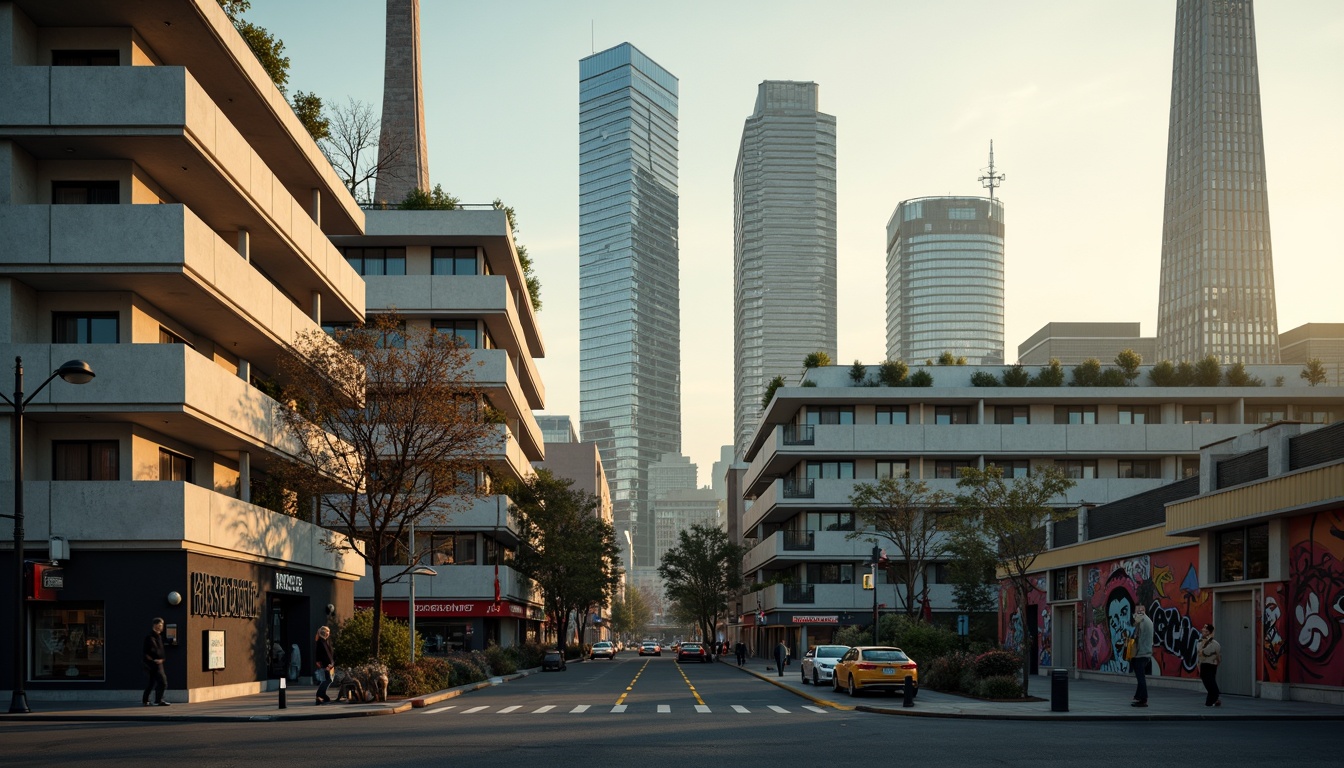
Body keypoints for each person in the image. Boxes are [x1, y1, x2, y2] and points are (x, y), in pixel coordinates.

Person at [1128, 603, 1155, 707]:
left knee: (1140, 677)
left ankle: (1143, 699)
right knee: (1140, 677)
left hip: (1140, 653)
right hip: (1145, 653)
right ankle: (1138, 696)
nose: (1134, 614)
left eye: (1136, 611)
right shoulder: (1149, 621)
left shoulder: (1142, 621)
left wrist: (1135, 624)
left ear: (1140, 611)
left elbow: (1136, 635)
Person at [142, 617, 169, 706]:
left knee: (152, 682)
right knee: (163, 681)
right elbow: (152, 650)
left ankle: (146, 700)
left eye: (162, 625)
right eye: (160, 625)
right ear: (155, 625)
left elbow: (160, 650)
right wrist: (155, 659)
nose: (161, 627)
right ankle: (158, 700)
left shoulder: (158, 636)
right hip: (154, 663)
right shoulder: (150, 637)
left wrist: (162, 658)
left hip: (157, 663)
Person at [1198, 623, 1222, 707]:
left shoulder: (1213, 644)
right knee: (1209, 683)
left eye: (1206, 630)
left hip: (1209, 665)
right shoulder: (1201, 642)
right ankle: (1214, 699)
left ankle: (1212, 699)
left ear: (1209, 632)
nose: (1203, 631)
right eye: (1203, 630)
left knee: (1210, 683)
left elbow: (1202, 653)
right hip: (1205, 665)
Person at [314, 625, 335, 705]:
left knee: (327, 680)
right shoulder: (322, 642)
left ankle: (322, 695)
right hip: (327, 665)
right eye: (328, 632)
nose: (329, 633)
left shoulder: (323, 641)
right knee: (327, 680)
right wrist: (329, 664)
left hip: (328, 664)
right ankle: (320, 694)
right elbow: (325, 654)